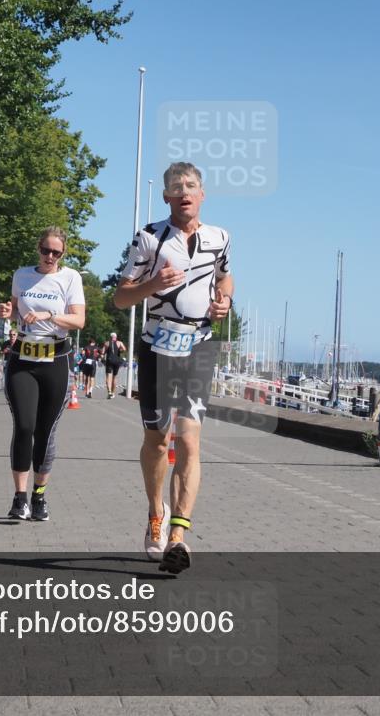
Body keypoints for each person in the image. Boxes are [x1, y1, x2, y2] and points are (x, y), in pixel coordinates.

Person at [113, 162, 233, 573]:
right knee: (158, 442)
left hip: (198, 345)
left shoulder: (220, 237)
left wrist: (225, 302)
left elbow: (225, 278)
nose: (184, 192)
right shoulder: (149, 237)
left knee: (190, 441)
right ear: (166, 196)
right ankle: (155, 512)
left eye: (192, 186)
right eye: (176, 187)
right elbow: (121, 298)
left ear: (202, 194)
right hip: (156, 346)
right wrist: (152, 286)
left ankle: (179, 537)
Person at [0, 226, 85, 521]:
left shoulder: (70, 278)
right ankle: (19, 497)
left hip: (55, 359)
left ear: (63, 255)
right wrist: (8, 311)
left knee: (45, 431)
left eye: (56, 253)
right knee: (24, 426)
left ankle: (39, 496)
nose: (49, 256)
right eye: (45, 250)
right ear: (38, 248)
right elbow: (15, 309)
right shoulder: (22, 275)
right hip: (23, 357)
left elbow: (79, 319)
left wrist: (50, 315)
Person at [102, 332, 126, 399]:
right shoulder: (119, 343)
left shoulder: (107, 343)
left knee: (108, 377)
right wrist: (119, 350)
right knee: (115, 377)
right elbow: (124, 349)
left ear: (110, 337)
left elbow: (103, 352)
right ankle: (113, 393)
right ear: (116, 337)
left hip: (109, 360)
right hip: (117, 361)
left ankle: (109, 392)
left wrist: (102, 356)